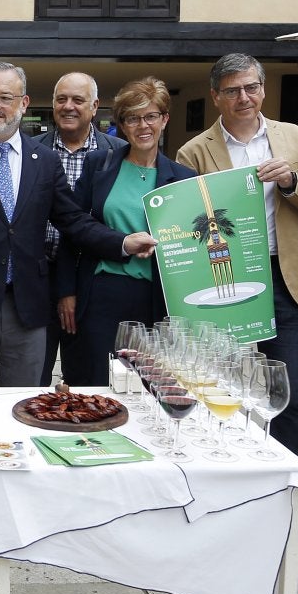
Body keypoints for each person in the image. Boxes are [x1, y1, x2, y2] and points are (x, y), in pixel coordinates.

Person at [0, 61, 156, 388]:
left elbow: (73, 220)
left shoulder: (44, 160)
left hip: (28, 305)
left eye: (5, 97)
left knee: (25, 403)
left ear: (23, 103)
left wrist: (123, 243)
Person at [176, 53, 298, 456]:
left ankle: (279, 478)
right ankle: (223, 469)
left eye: (251, 87)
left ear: (262, 89)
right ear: (216, 96)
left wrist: (291, 181)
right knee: (217, 386)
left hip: (285, 279)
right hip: (222, 279)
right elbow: (183, 223)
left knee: (289, 390)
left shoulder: (293, 137)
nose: (244, 97)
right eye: (232, 90)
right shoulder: (193, 151)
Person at [55, 77, 194, 385]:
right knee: (94, 384)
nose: (143, 125)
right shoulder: (99, 165)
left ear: (165, 119)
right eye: (132, 118)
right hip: (101, 292)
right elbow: (74, 228)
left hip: (156, 298)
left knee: (148, 386)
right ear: (121, 124)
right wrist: (66, 291)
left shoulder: (185, 178)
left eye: (151, 116)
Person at [36, 72, 128, 385]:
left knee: (85, 378)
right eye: (61, 99)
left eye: (78, 100)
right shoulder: (31, 151)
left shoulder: (119, 154)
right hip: (37, 279)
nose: (68, 106)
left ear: (94, 106)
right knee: (34, 375)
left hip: (90, 280)